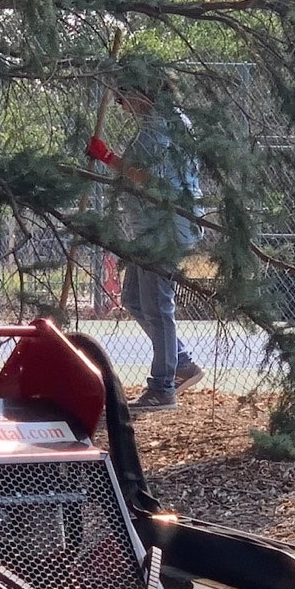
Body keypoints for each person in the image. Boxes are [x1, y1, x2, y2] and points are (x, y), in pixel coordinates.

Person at [88, 84, 206, 410]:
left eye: (122, 95)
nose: (119, 104)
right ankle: (180, 363)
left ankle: (163, 387)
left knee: (157, 306)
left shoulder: (161, 128)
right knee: (134, 300)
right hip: (152, 229)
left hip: (164, 230)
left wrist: (108, 157)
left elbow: (150, 179)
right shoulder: (167, 122)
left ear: (142, 92)